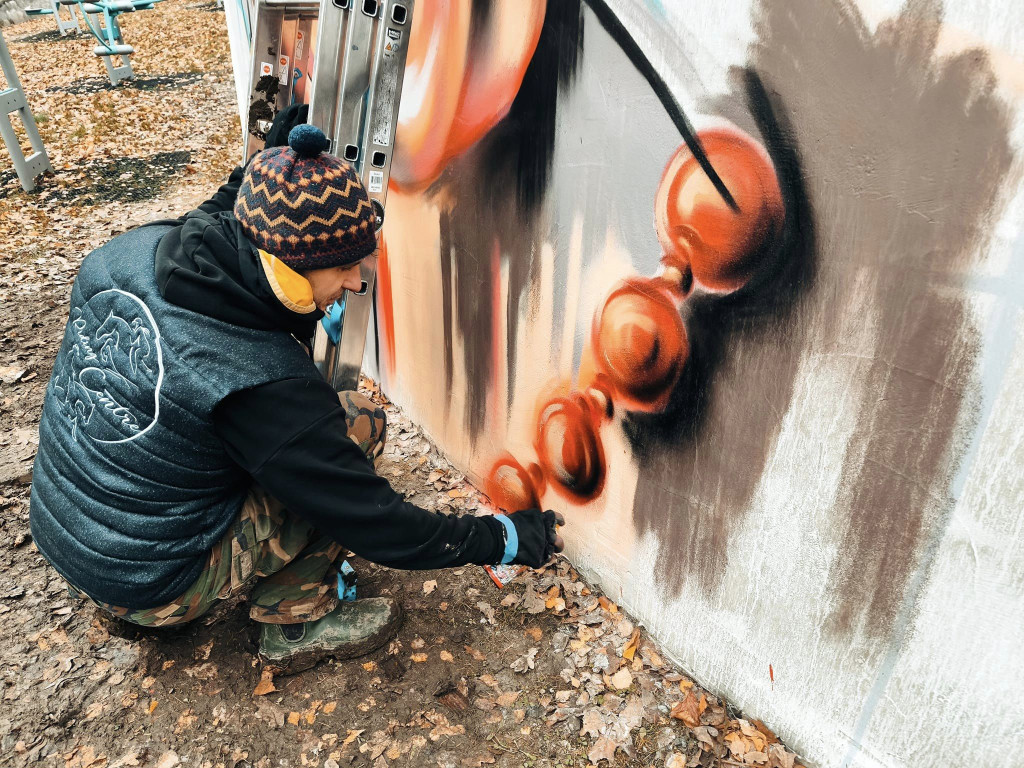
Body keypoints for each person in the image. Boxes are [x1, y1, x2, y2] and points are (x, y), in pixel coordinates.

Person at [28, 112, 564, 674]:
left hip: (70, 531)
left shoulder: (132, 251)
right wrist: (503, 537)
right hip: (149, 583)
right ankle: (295, 624)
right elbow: (378, 523)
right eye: (343, 268)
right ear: (289, 270)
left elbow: (225, 209)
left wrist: (270, 161)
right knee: (358, 428)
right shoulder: (260, 380)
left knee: (301, 448)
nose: (358, 284)